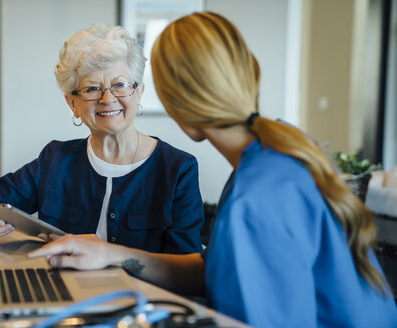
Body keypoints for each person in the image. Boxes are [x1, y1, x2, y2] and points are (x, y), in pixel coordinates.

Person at [28, 12, 397, 328]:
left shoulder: (257, 201)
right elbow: (212, 269)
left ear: (177, 107)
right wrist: (111, 255)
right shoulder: (278, 154)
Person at [0, 23, 204, 255]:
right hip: (62, 294)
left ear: (138, 92)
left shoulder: (178, 170)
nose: (108, 99)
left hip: (140, 300)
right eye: (92, 88)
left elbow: (187, 271)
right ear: (72, 103)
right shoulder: (54, 160)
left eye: (120, 84)